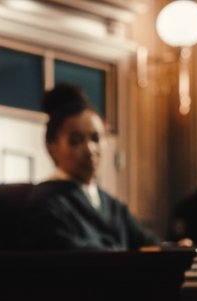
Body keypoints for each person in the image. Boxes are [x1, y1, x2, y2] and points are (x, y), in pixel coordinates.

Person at [22, 84, 160, 250]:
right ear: (52, 148)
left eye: (96, 139)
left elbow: (148, 243)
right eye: (75, 141)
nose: (89, 150)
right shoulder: (44, 202)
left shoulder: (112, 205)